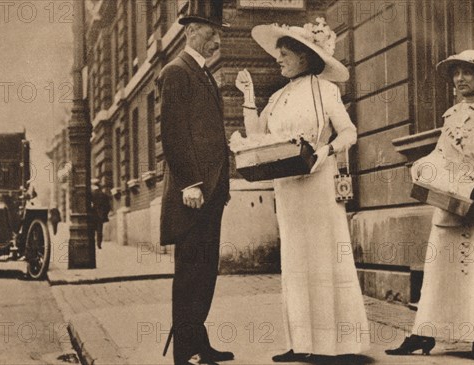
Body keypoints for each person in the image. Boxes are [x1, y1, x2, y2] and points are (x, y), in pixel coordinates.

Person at [235, 18, 369, 361]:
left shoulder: (325, 91)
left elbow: (348, 132)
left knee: (323, 258)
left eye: (284, 53)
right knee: (295, 261)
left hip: (318, 184)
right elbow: (255, 135)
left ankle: (333, 345)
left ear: (304, 58)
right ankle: (302, 343)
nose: (278, 59)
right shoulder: (277, 97)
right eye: (278, 54)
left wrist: (326, 152)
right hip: (289, 187)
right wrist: (249, 96)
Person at [385, 50, 474, 359]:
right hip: (451, 199)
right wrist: (425, 170)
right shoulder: (451, 115)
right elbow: (443, 156)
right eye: (456, 73)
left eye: (468, 73)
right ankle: (424, 334)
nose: (460, 78)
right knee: (439, 271)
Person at [158, 1, 232, 364]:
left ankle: (198, 341)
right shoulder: (176, 71)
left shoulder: (202, 73)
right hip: (194, 195)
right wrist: (189, 183)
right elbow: (172, 135)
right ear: (190, 32)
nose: (217, 40)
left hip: (212, 193)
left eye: (218, 34)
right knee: (190, 273)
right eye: (211, 33)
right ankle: (185, 352)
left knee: (205, 272)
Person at [91, 179, 111, 249]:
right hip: (101, 215)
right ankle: (99, 243)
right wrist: (104, 213)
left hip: (92, 215)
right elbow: (108, 206)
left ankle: (92, 243)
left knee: (92, 230)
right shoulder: (104, 195)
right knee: (100, 230)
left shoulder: (91, 194)